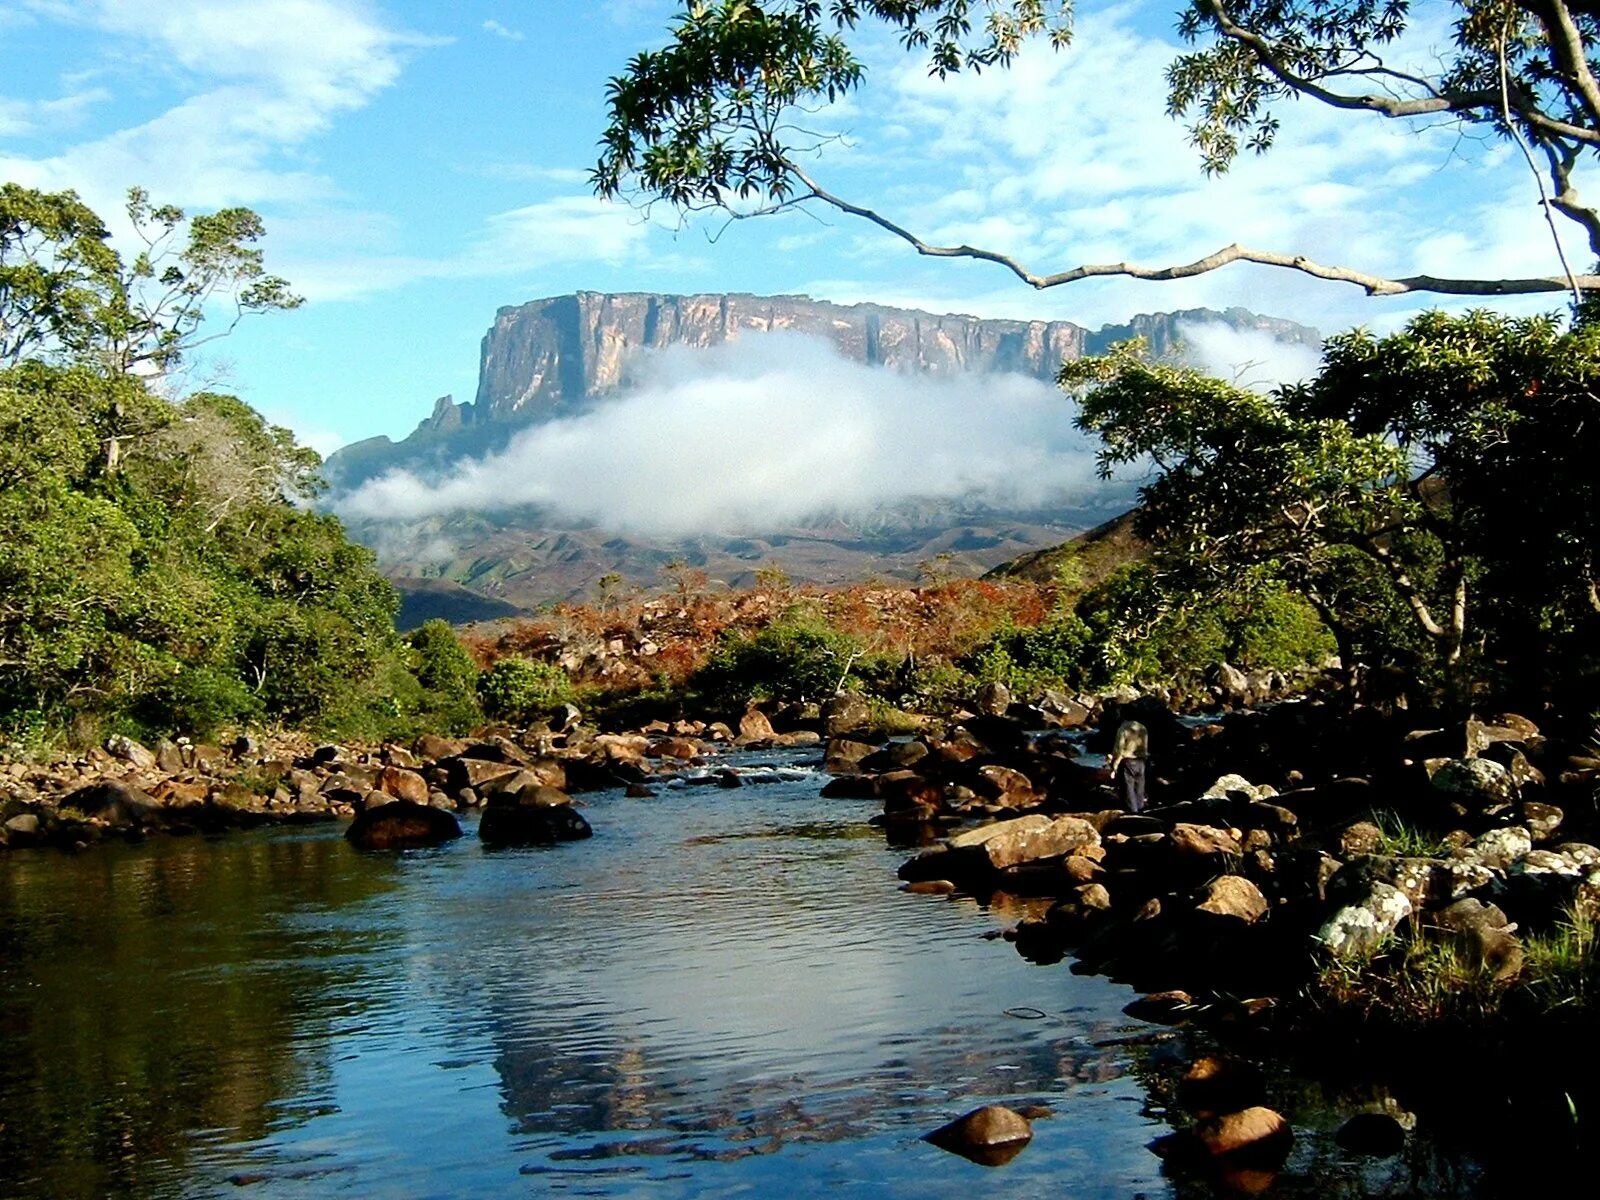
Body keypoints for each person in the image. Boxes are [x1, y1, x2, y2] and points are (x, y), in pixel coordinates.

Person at [1107, 719, 1149, 813]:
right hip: (1141, 760)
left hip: (1128, 761)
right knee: (1140, 788)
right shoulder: (1142, 727)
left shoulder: (1123, 729)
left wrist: (1115, 765)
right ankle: (1141, 811)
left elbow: (1119, 748)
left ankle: (1133, 813)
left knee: (1128, 789)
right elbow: (1145, 746)